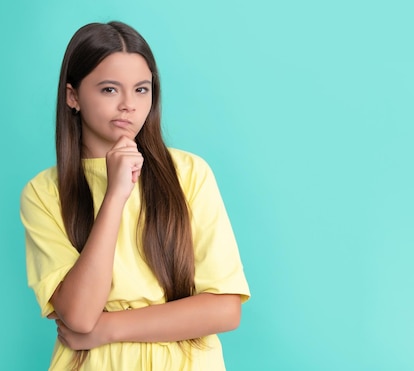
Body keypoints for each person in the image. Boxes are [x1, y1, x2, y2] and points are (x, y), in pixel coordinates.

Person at [20, 21, 250, 371]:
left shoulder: (189, 174)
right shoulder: (44, 193)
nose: (129, 105)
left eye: (141, 90)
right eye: (110, 90)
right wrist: (114, 196)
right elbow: (80, 316)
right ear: (73, 96)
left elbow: (225, 308)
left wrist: (109, 328)